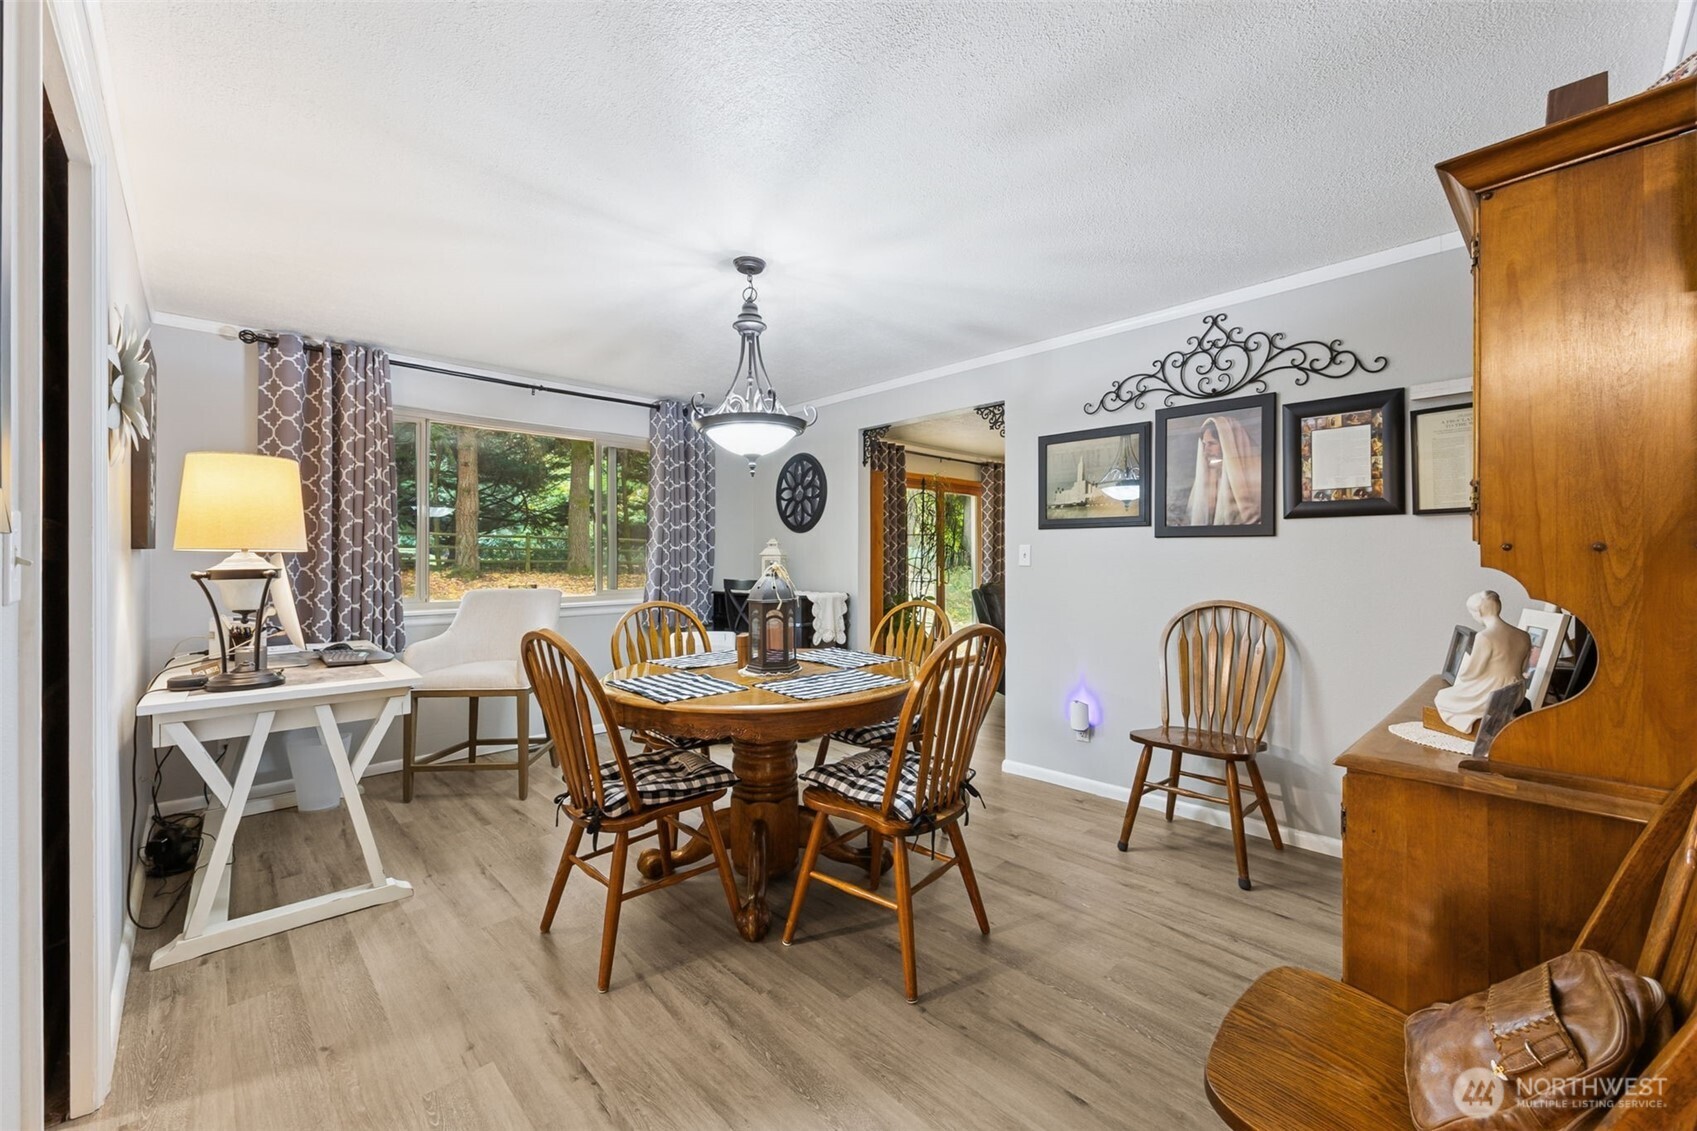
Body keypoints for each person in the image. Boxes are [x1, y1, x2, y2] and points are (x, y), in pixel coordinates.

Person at [1186, 414, 1261, 525]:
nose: (1205, 450)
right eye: (1204, 444)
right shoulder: (1208, 477)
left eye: (1211, 443)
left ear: (1228, 444)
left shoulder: (1257, 477)